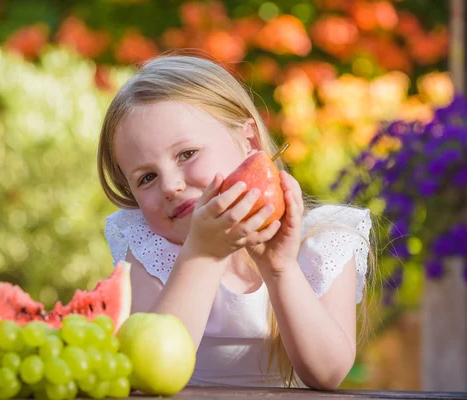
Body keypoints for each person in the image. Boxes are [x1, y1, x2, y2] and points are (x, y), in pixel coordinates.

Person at [97, 54, 374, 390]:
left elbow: (328, 374)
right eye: (147, 178)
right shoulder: (151, 249)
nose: (170, 186)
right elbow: (147, 372)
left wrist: (280, 269)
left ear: (250, 142)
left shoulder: (321, 242)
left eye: (187, 154)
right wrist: (203, 255)